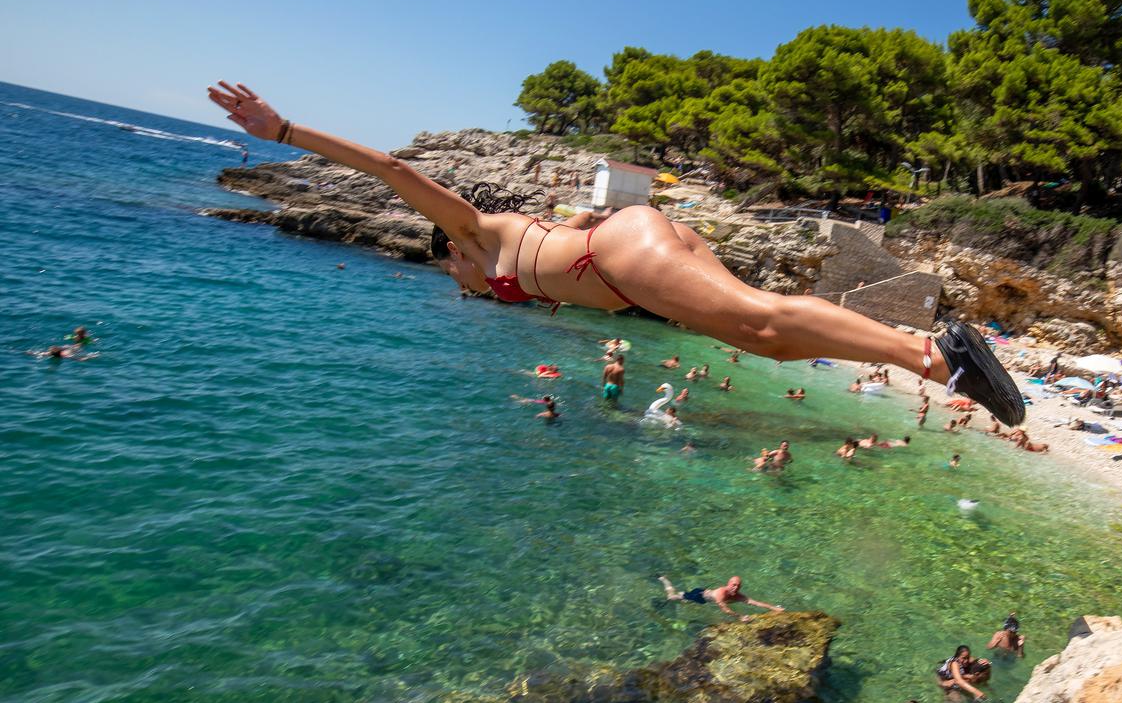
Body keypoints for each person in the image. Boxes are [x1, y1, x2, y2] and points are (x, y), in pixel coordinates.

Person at [207, 82, 1028, 426]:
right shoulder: (487, 257)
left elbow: (391, 171)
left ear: (449, 248)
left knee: (762, 319)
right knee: (755, 335)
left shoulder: (470, 232)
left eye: (450, 271)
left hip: (621, 252)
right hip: (631, 258)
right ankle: (930, 358)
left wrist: (283, 132)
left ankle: (935, 351)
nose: (456, 281)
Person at [657, 575, 784, 621]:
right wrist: (740, 617)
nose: (735, 588)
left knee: (682, 597)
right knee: (672, 597)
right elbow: (724, 608)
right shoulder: (721, 593)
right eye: (733, 585)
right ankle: (665, 580)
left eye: (738, 586)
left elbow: (754, 602)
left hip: (703, 592)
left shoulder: (737, 595)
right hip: (699, 596)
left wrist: (774, 608)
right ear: (728, 584)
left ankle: (677, 591)